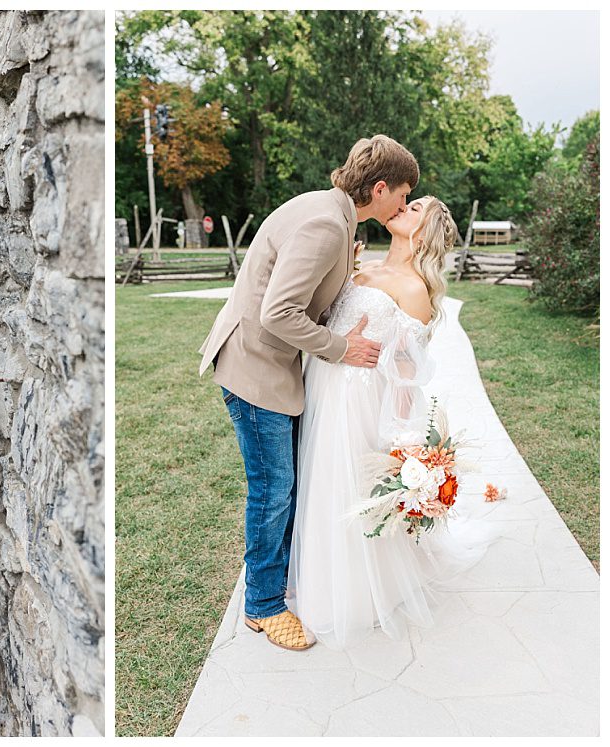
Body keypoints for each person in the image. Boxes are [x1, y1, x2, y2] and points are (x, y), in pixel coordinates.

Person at [198, 135, 417, 651]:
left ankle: (279, 578)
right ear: (380, 188)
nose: (404, 207)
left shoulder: (333, 213)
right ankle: (264, 606)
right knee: (273, 490)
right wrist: (342, 348)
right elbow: (278, 312)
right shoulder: (325, 224)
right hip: (255, 371)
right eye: (403, 196)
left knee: (284, 485)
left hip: (273, 367)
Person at [286, 195, 493, 649]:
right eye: (407, 200)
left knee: (349, 486)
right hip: (322, 382)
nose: (404, 206)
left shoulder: (415, 287)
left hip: (360, 400)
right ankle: (314, 570)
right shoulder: (362, 264)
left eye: (415, 208)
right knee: (318, 481)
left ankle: (355, 588)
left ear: (426, 231)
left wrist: (402, 443)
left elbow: (405, 373)